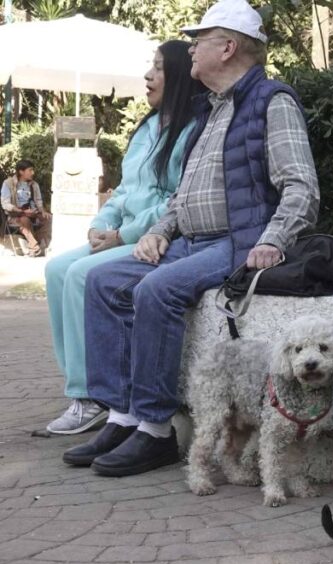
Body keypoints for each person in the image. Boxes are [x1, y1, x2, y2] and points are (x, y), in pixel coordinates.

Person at [62, 0, 319, 477]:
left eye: (198, 39)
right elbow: (184, 195)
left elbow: (301, 185)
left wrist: (275, 239)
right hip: (189, 241)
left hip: (236, 241)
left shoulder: (272, 101)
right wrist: (159, 231)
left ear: (228, 47)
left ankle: (156, 431)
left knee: (156, 289)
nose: (190, 48)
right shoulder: (209, 110)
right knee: (102, 281)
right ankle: (122, 415)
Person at [44, 40, 204, 435]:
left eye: (159, 68)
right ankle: (80, 388)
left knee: (83, 274)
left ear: (181, 77)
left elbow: (175, 201)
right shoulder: (147, 128)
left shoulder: (192, 131)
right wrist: (101, 224)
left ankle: (94, 396)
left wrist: (122, 234)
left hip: (153, 237)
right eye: (150, 67)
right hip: (119, 231)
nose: (148, 76)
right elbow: (123, 191)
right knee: (58, 269)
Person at [1, 159, 52, 257]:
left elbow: (38, 201)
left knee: (49, 219)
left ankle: (41, 244)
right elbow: (5, 203)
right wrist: (20, 211)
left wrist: (43, 211)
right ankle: (34, 247)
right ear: (21, 171)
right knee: (24, 220)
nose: (33, 173)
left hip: (33, 213)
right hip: (16, 215)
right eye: (30, 170)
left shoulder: (34, 184)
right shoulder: (8, 183)